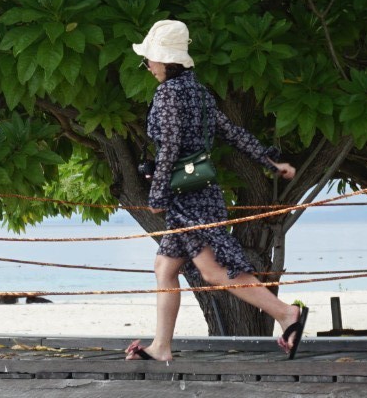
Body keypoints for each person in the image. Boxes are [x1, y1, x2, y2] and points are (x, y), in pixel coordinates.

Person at [125, 19, 310, 362]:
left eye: (149, 59)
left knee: (213, 271)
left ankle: (287, 314)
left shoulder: (168, 94)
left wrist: (157, 195)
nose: (148, 66)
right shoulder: (199, 91)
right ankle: (162, 346)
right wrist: (269, 162)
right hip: (200, 193)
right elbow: (232, 132)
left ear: (166, 60)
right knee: (165, 268)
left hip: (188, 198)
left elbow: (169, 148)